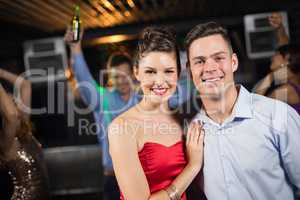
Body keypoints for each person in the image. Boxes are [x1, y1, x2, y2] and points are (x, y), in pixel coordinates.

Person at [64, 26, 193, 199]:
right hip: (112, 178)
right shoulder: (103, 99)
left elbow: (186, 90)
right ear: (137, 73)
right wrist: (75, 48)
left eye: (169, 71)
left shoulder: (150, 99)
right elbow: (83, 77)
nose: (122, 80)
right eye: (117, 76)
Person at [185, 21, 300, 200]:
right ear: (190, 70)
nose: (209, 68)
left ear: (233, 62)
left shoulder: (276, 115)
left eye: (219, 58)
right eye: (199, 61)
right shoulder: (191, 131)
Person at [108, 26, 204, 200]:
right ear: (137, 72)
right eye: (150, 71)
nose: (160, 82)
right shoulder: (122, 127)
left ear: (178, 74)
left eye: (168, 71)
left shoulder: (183, 119)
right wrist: (193, 166)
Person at [0, 68, 49, 200]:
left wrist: (1, 73)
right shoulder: (6, 141)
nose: (14, 97)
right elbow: (11, 115)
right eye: (10, 99)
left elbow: (25, 85)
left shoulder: (24, 129)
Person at [253, 44, 300, 114]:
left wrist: (270, 77)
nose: (272, 58)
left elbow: (255, 107)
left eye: (276, 54)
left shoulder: (286, 90)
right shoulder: (292, 84)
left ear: (287, 58)